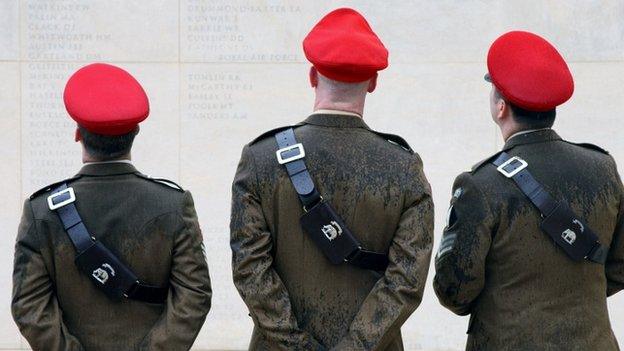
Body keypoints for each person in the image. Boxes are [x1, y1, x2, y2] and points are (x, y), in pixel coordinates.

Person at [230, 8, 433, 351]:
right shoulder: (404, 167)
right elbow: (406, 282)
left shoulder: (260, 160)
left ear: (312, 75)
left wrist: (298, 345)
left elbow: (250, 270)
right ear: (373, 82)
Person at [434, 31, 623, 350]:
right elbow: (618, 267)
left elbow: (455, 290)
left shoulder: (481, 184)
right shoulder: (602, 167)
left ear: (501, 107)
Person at [11, 63, 212, 351]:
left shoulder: (41, 212)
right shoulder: (172, 204)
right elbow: (194, 295)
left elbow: (29, 306)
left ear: (77, 133)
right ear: (136, 132)